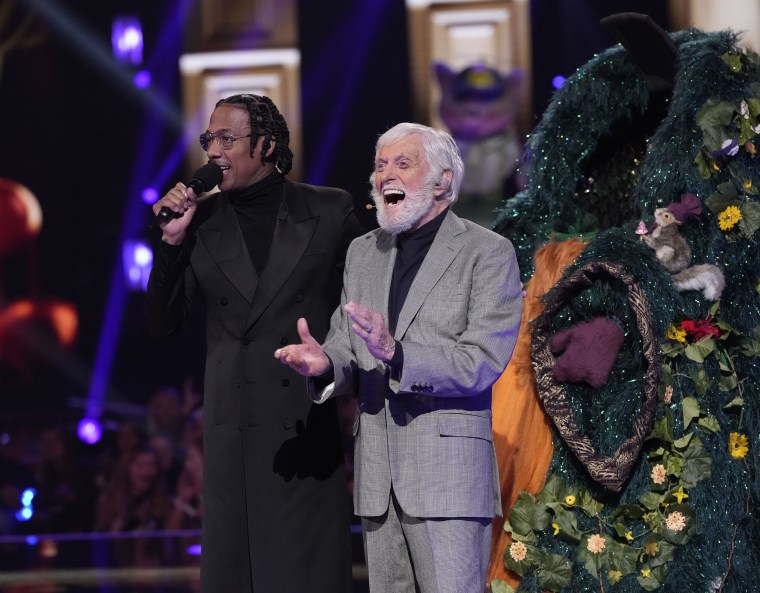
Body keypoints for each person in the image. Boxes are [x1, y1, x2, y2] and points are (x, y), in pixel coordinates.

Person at [275, 122, 523, 593]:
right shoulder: (363, 253)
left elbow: (482, 360)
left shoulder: (487, 253)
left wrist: (398, 354)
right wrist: (325, 363)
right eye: (380, 164)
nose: (385, 174)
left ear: (443, 181)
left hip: (448, 479)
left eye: (402, 163)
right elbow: (348, 343)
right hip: (377, 480)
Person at [145, 94, 362, 593]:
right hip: (231, 437)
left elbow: (369, 302)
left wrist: (337, 361)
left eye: (227, 138)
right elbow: (162, 323)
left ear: (265, 144)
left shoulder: (328, 211)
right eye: (208, 140)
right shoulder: (199, 223)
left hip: (302, 427)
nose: (213, 151)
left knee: (303, 576)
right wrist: (172, 244)